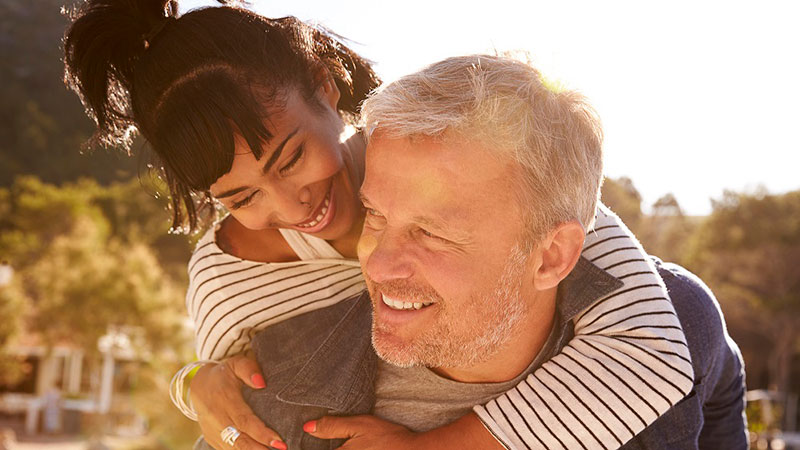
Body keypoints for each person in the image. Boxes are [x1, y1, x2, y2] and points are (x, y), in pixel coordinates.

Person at [63, 2, 694, 449]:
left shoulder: (437, 156)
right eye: (241, 197)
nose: (290, 205)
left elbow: (658, 351)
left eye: (292, 158)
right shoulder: (230, 282)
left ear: (326, 89)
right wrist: (193, 383)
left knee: (683, 301)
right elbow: (240, 395)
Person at [242, 54, 748, 450]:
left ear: (551, 257)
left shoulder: (675, 321)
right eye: (375, 215)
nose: (375, 263)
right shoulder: (277, 392)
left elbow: (723, 385)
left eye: (431, 233)